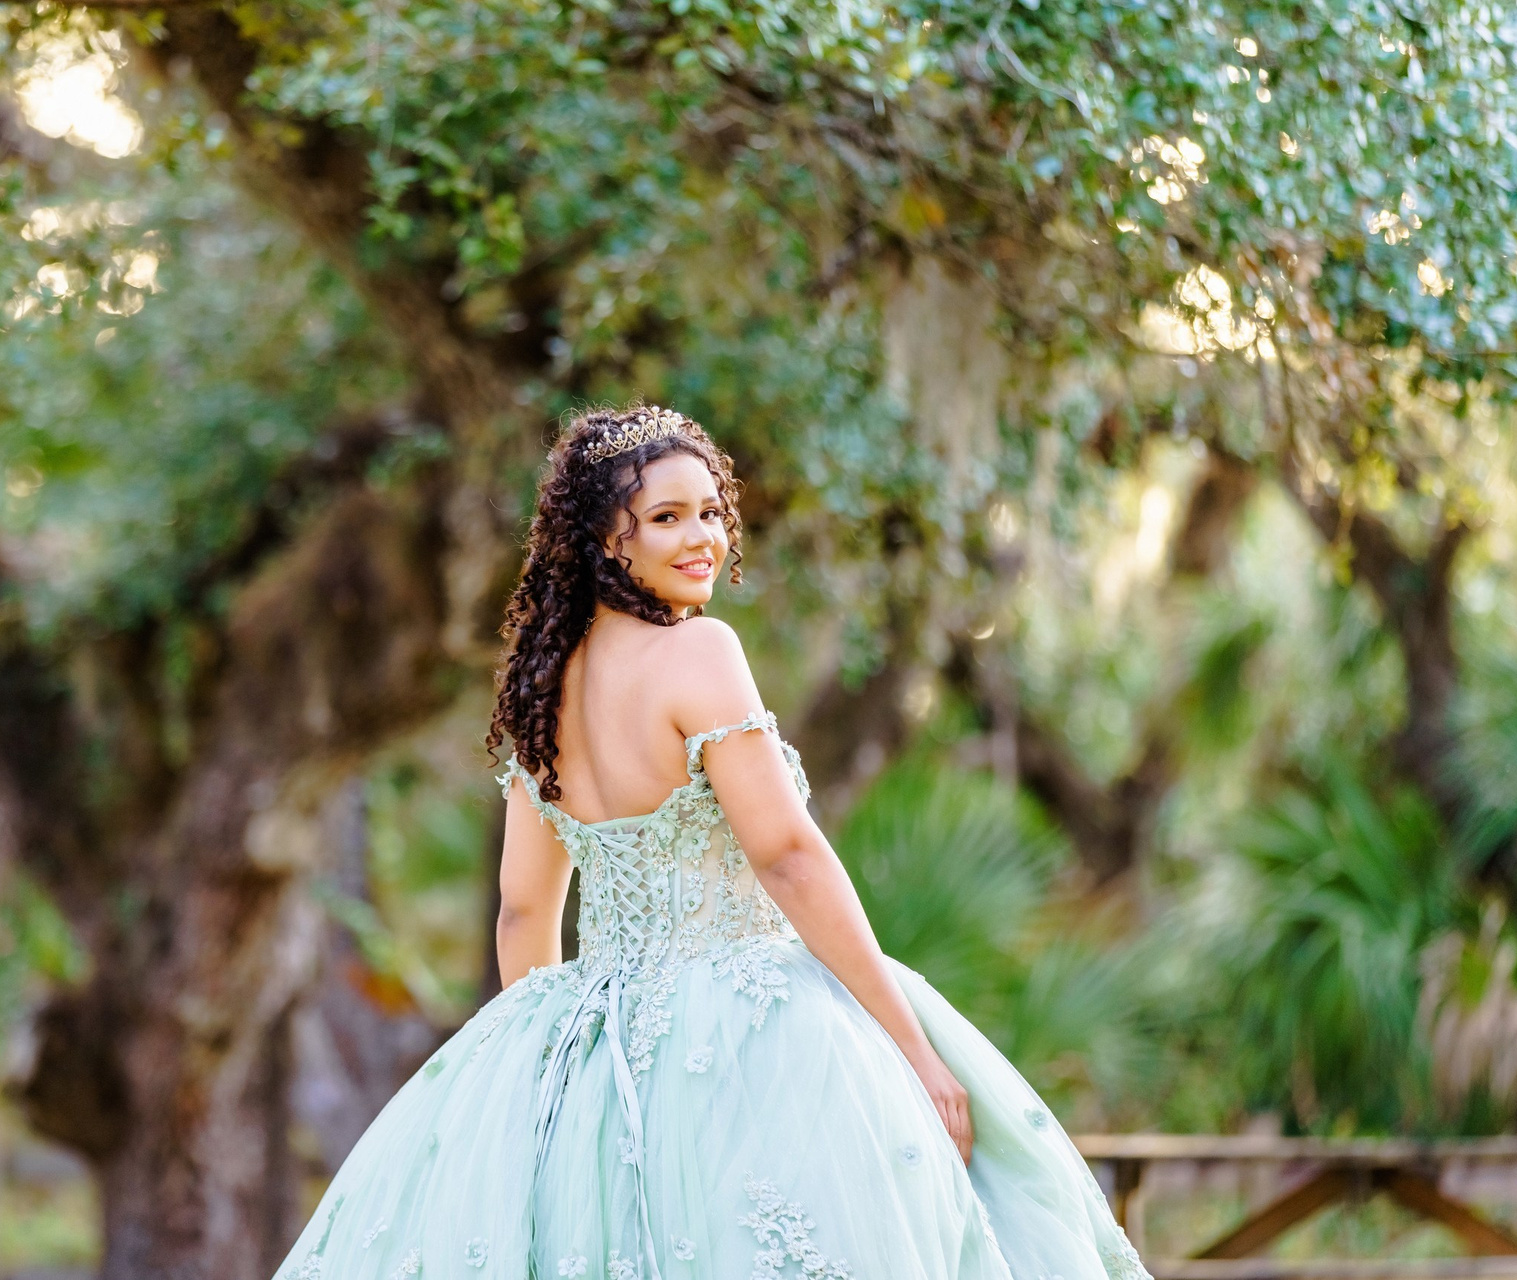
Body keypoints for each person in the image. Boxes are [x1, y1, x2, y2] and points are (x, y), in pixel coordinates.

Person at [272, 406, 1150, 1280]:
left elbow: (523, 915)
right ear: (604, 540)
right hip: (749, 1024)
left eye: (710, 512)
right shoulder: (700, 650)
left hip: (593, 1035)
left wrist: (543, 1092)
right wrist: (912, 1047)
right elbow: (787, 856)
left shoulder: (546, 688)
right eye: (666, 518)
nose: (703, 539)